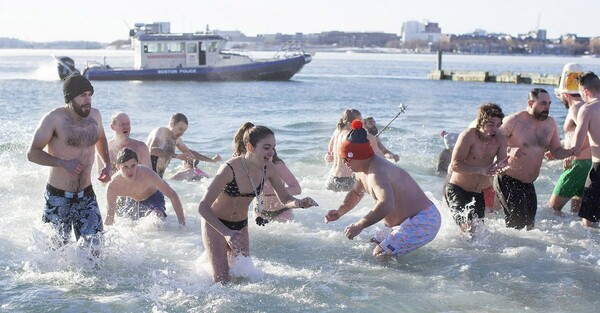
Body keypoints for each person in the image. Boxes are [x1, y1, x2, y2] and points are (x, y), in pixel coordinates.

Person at [198, 124, 318, 283]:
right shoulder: (229, 168)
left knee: (243, 277)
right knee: (222, 281)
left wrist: (300, 203)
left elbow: (285, 199)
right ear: (250, 147)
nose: (271, 152)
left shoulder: (269, 169)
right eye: (267, 147)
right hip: (216, 224)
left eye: (273, 148)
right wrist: (226, 233)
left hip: (240, 225)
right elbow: (203, 207)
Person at [325, 120, 441, 256]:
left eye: (347, 159)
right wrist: (339, 212)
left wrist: (360, 225)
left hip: (423, 220)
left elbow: (386, 204)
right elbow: (356, 193)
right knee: (372, 244)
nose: (345, 163)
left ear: (359, 156)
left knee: (380, 254)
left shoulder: (377, 173)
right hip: (402, 223)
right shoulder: (361, 170)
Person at [26, 73, 111, 249]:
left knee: (95, 252)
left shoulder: (95, 116)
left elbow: (101, 139)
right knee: (54, 253)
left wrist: (107, 164)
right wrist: (63, 163)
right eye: (82, 95)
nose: (88, 100)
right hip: (58, 197)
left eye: (89, 94)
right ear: (70, 98)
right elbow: (32, 153)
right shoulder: (54, 119)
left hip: (86, 196)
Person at [495, 88, 575, 230]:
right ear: (530, 103)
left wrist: (571, 152)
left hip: (528, 184)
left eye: (549, 104)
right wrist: (510, 150)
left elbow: (556, 151)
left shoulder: (550, 123)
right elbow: (493, 142)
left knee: (530, 227)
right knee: (517, 226)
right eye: (543, 103)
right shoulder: (515, 120)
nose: (547, 108)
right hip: (508, 179)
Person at [445, 103, 508, 233]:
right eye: (491, 124)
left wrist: (501, 167)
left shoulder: (500, 139)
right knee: (469, 229)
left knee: (478, 234)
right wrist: (481, 170)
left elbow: (502, 164)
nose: (495, 129)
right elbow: (455, 164)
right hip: (458, 190)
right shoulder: (468, 136)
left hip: (478, 194)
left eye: (498, 125)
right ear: (480, 122)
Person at [548, 63, 591, 216]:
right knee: (577, 214)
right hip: (587, 164)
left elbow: (588, 134)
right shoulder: (587, 105)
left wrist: (571, 153)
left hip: (579, 164)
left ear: (565, 94)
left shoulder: (576, 107)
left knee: (552, 209)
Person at [105, 148, 186, 226]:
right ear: (118, 166)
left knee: (157, 220)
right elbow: (110, 216)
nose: (130, 171)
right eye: (125, 167)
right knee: (128, 225)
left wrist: (182, 225)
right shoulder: (113, 185)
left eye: (133, 165)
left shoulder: (147, 174)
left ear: (137, 163)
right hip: (132, 202)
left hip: (153, 198)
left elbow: (172, 194)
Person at [146, 113, 221, 178]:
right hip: (145, 174)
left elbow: (191, 154)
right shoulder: (161, 131)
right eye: (180, 129)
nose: (182, 133)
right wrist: (176, 156)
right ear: (172, 124)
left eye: (184, 130)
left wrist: (211, 160)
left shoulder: (177, 139)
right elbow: (152, 150)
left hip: (157, 178)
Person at [572, 72, 600, 228]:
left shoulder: (588, 109)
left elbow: (577, 144)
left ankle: (593, 252)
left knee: (589, 221)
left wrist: (565, 153)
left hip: (599, 168)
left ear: (585, 91)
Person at [254, 149, 302, 222]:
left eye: (269, 156)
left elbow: (297, 189)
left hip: (282, 210)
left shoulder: (278, 165)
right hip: (260, 211)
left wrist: (276, 191)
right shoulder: (251, 166)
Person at [325, 109, 361, 192]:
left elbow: (329, 152)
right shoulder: (350, 135)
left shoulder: (337, 131)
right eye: (359, 122)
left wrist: (329, 156)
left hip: (332, 178)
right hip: (346, 180)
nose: (361, 124)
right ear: (349, 123)